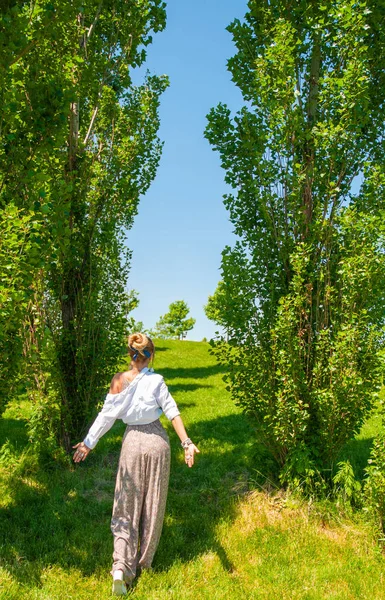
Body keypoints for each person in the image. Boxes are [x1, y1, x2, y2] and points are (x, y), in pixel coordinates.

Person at [72, 332, 199, 596]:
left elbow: (105, 417)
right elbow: (172, 411)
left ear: (130, 355)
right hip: (156, 444)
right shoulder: (157, 381)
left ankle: (121, 568)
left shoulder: (118, 381)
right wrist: (186, 444)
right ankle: (143, 564)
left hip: (132, 443)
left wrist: (88, 443)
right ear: (151, 355)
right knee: (152, 505)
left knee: (125, 505)